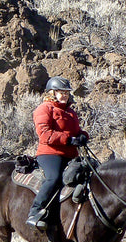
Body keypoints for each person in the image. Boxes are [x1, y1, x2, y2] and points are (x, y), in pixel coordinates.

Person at [26, 76, 89, 231]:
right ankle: (35, 212)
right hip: (50, 154)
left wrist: (82, 136)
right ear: (52, 93)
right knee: (54, 178)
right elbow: (45, 134)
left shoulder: (71, 112)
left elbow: (76, 131)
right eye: (61, 92)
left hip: (71, 155)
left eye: (66, 92)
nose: (65, 95)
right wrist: (69, 140)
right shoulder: (44, 109)